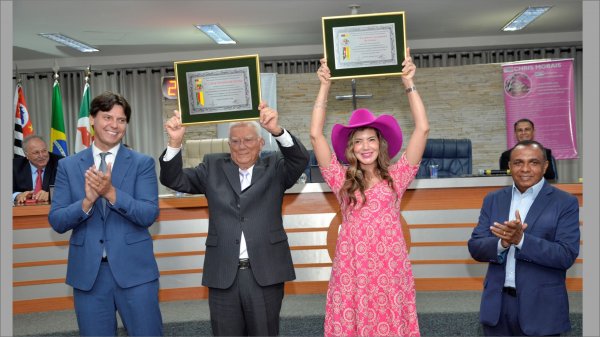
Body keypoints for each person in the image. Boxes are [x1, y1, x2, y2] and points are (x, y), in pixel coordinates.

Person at [159, 102, 309, 336]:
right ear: (228, 145)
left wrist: (277, 130)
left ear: (261, 143)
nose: (241, 146)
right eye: (235, 141)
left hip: (265, 273)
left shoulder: (276, 167)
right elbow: (173, 179)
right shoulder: (212, 166)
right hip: (223, 274)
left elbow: (300, 160)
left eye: (248, 140)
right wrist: (175, 142)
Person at [311, 48, 428, 337]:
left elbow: (422, 129)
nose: (365, 146)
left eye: (371, 139)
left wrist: (409, 83)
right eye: (358, 141)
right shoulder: (341, 180)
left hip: (390, 268)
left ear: (380, 143)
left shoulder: (397, 178)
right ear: (350, 149)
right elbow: (315, 134)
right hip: (353, 270)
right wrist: (325, 86)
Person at [48, 91, 163, 336]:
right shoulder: (68, 166)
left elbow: (148, 214)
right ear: (92, 119)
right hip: (89, 275)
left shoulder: (142, 163)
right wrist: (87, 201)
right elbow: (57, 220)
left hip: (135, 273)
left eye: (121, 120)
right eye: (107, 117)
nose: (114, 125)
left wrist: (111, 193)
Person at [468, 140, 580, 336]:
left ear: (545, 166)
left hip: (542, 310)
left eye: (534, 162)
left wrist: (521, 240)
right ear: (509, 167)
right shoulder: (493, 199)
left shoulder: (565, 202)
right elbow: (476, 246)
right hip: (498, 309)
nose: (525, 169)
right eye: (518, 162)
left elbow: (565, 254)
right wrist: (502, 243)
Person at [13, 135, 63, 204]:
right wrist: (17, 196)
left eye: (44, 151)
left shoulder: (61, 163)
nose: (41, 156)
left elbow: (70, 189)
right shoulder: (14, 166)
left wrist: (51, 195)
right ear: (26, 155)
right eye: (36, 152)